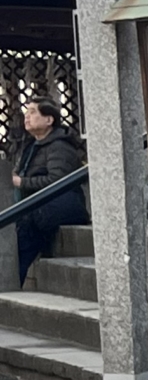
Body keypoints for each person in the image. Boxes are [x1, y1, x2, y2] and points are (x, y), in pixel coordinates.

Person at [9, 97, 84, 285]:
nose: (27, 117)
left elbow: (58, 181)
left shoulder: (59, 145)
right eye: (26, 112)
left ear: (49, 120)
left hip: (58, 206)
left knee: (23, 233)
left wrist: (22, 181)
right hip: (37, 206)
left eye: (33, 112)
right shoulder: (32, 146)